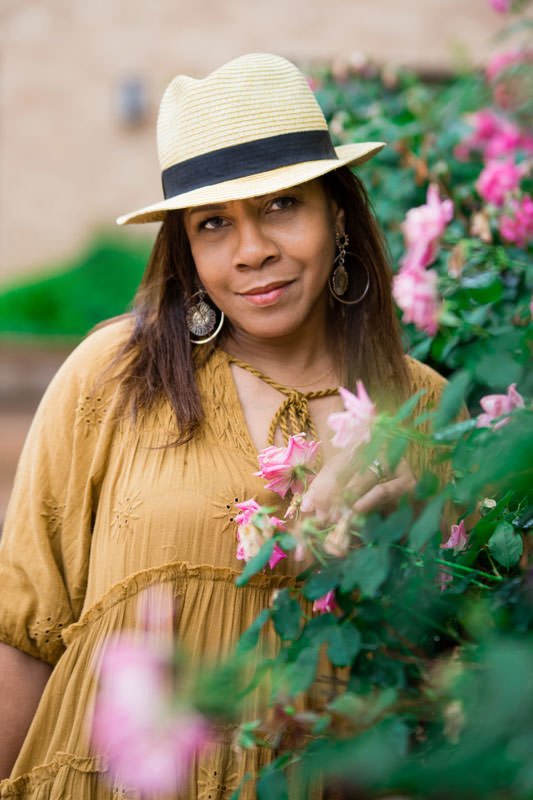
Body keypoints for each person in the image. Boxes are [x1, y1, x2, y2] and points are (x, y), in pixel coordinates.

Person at [0, 53, 449, 799]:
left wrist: (407, 545)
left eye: (281, 205)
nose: (252, 252)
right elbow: (23, 633)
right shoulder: (111, 377)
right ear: (187, 247)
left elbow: (455, 667)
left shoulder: (424, 411)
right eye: (214, 223)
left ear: (336, 212)